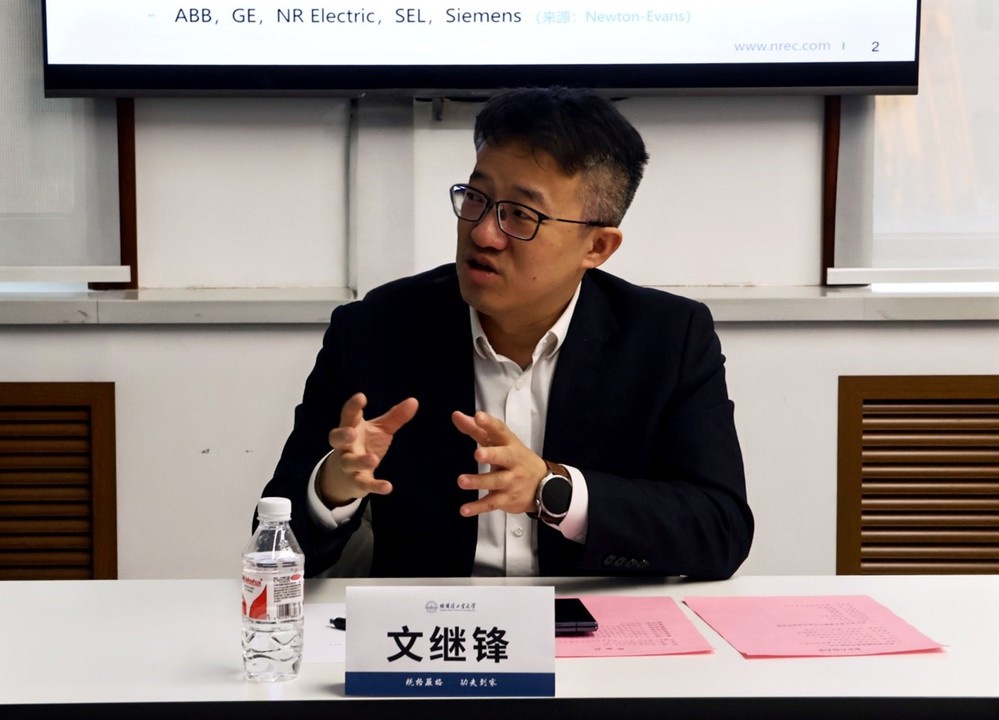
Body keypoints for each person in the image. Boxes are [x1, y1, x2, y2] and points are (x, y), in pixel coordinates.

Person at [259, 86, 753, 579]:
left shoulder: (668, 338)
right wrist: (332, 487)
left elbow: (721, 530)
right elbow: (275, 541)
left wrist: (552, 490)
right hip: (434, 617)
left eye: (521, 215)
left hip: (594, 618)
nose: (482, 233)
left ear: (597, 247)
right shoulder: (376, 330)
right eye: (476, 198)